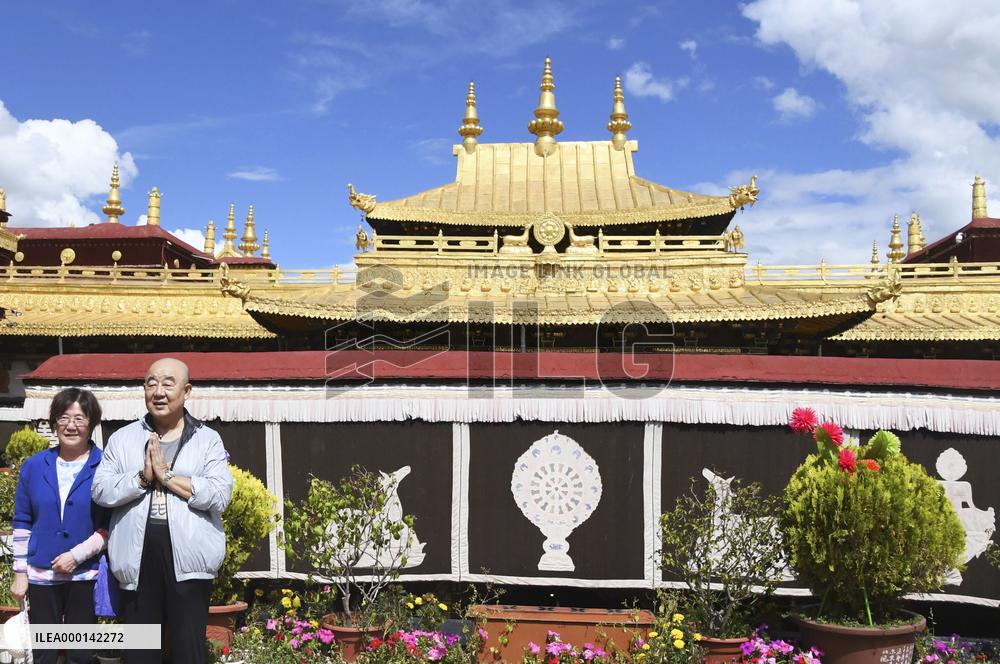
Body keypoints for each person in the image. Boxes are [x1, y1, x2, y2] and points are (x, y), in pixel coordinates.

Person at [92, 358, 233, 664]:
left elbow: (220, 495)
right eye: (151, 383)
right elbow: (100, 490)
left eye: (168, 383)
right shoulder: (123, 438)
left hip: (190, 560)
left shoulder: (207, 439)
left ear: (187, 390)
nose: (158, 391)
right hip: (136, 559)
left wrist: (167, 477)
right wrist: (143, 478)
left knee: (187, 650)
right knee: (140, 651)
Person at [11, 388, 109, 664]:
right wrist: (20, 572)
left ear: (91, 424)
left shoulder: (104, 466)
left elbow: (111, 526)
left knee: (81, 653)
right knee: (44, 653)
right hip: (41, 576)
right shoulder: (33, 466)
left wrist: (77, 555)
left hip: (84, 576)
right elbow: (22, 521)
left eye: (80, 419)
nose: (71, 425)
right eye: (64, 418)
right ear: (54, 422)